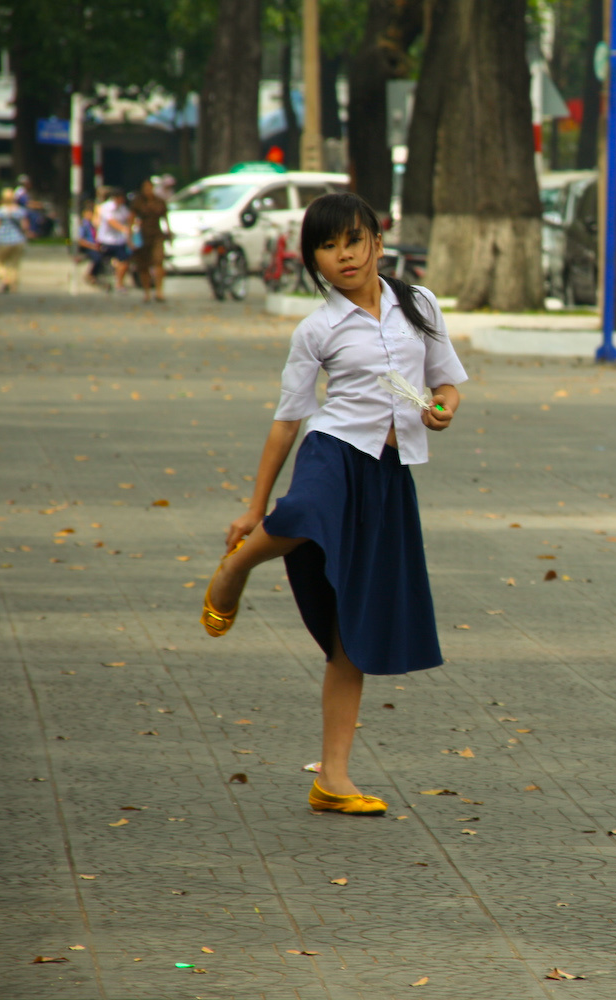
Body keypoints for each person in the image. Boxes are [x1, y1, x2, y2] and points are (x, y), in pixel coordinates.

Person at [199, 192, 467, 816]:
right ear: (313, 259)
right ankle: (236, 566)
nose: (343, 254)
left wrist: (443, 410)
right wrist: (253, 506)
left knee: (353, 630)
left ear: (377, 239)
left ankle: (333, 781)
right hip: (332, 447)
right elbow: (288, 419)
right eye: (327, 245)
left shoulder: (418, 306)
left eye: (353, 239)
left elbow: (447, 381)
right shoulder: (316, 327)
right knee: (305, 513)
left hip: (389, 472)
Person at [129, 178, 171, 303]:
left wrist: (169, 233)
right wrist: (130, 237)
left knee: (158, 262)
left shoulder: (159, 202)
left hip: (157, 235)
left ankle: (159, 291)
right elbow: (131, 219)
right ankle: (146, 292)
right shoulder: (138, 202)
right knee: (143, 266)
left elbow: (165, 218)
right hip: (142, 236)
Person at [0, 187, 33, 292]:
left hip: (3, 240)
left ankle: (5, 280)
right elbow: (25, 227)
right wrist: (28, 235)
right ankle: (13, 286)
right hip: (18, 241)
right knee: (14, 264)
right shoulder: (20, 211)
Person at [95, 188, 133, 289]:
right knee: (98, 260)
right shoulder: (106, 207)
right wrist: (124, 229)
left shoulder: (123, 208)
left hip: (119, 240)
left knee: (124, 261)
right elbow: (111, 221)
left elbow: (129, 218)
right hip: (106, 240)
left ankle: (119, 283)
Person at [74, 200, 106, 287]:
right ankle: (91, 274)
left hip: (94, 245)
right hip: (87, 247)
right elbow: (80, 240)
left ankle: (99, 273)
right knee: (97, 257)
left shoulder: (92, 224)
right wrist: (93, 246)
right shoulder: (83, 225)